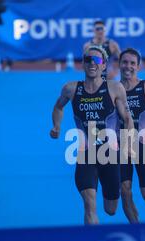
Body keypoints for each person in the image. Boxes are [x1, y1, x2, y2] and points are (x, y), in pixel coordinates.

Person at [50, 45, 134, 225]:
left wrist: (126, 146)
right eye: (88, 60)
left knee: (110, 209)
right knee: (89, 204)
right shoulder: (71, 89)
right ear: (82, 64)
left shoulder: (114, 88)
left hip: (111, 155)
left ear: (104, 65)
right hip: (86, 155)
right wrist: (56, 126)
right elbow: (58, 106)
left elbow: (127, 118)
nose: (92, 63)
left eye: (96, 60)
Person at [118, 48, 145, 223]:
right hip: (119, 147)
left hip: (142, 145)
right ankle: (135, 227)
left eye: (132, 63)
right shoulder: (113, 88)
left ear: (138, 66)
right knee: (125, 189)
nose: (128, 66)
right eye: (125, 62)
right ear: (119, 64)